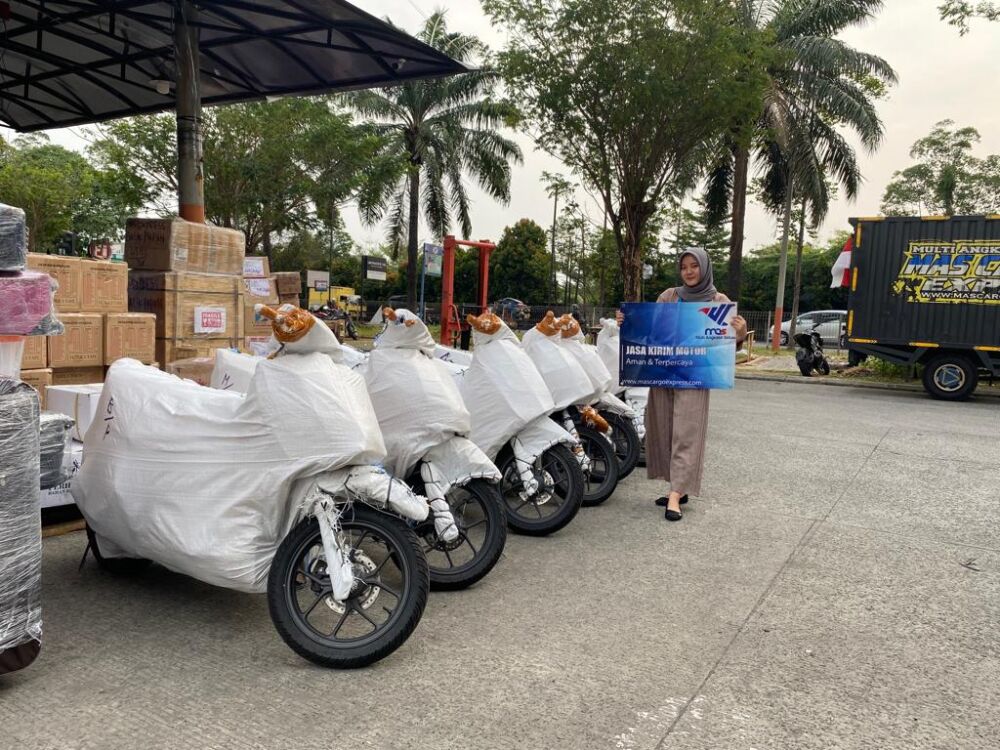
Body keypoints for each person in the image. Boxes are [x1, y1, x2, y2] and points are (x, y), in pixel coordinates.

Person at [616, 248, 747, 522]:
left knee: (686, 432)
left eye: (694, 266)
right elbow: (650, 329)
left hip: (694, 377)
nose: (688, 271)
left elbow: (725, 345)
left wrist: (740, 333)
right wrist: (628, 322)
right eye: (684, 266)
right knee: (663, 429)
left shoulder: (718, 301)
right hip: (663, 373)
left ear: (705, 268)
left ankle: (676, 495)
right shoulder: (669, 296)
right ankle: (677, 486)